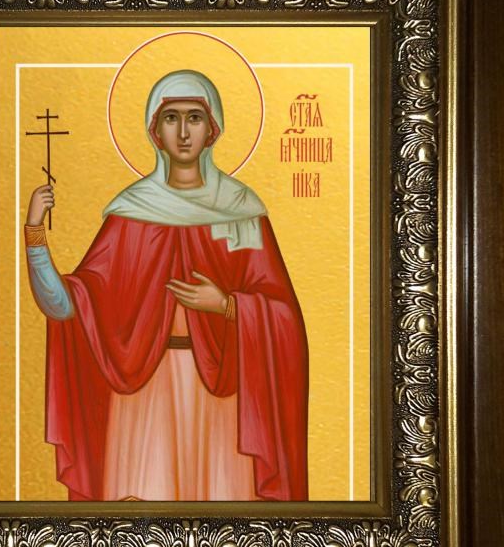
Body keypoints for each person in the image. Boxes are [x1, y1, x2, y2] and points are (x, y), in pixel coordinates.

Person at [24, 70, 309, 501]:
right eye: (171, 118)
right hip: (146, 395)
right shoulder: (131, 214)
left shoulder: (242, 211)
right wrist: (34, 233)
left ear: (213, 129)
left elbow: (285, 319)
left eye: (195, 117)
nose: (183, 132)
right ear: (155, 131)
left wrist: (229, 306)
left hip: (220, 397)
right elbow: (68, 307)